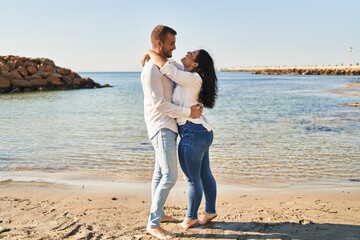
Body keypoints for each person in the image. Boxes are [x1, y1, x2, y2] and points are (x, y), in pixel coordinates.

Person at [143, 48, 218, 230]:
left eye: (191, 54)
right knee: (204, 174)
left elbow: (167, 69)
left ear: (195, 65)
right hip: (201, 131)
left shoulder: (192, 78)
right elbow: (172, 67)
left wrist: (150, 52)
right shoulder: (190, 76)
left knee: (193, 179)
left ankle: (191, 217)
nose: (186, 52)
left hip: (192, 132)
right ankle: (209, 211)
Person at [140, 25, 203, 240]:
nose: (175, 48)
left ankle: (159, 214)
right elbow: (159, 104)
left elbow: (181, 71)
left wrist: (149, 52)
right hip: (160, 125)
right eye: (171, 43)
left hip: (170, 125)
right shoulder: (150, 70)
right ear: (159, 43)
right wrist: (188, 112)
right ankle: (153, 223)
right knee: (170, 175)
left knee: (160, 173)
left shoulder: (167, 64)